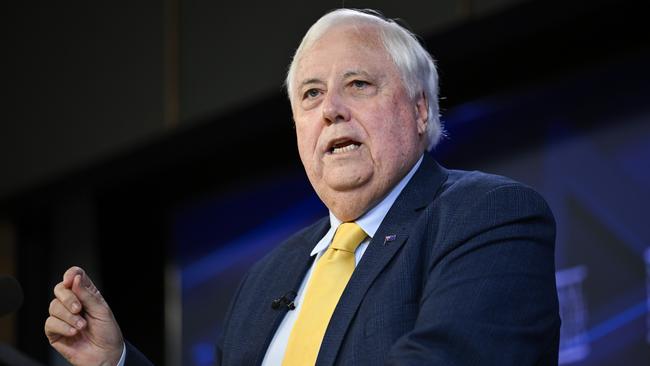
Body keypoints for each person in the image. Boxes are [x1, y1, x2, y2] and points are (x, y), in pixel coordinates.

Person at [45, 8, 560, 365]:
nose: (331, 109)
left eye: (358, 84)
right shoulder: (267, 279)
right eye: (312, 95)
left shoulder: (488, 214)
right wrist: (114, 361)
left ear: (420, 110)